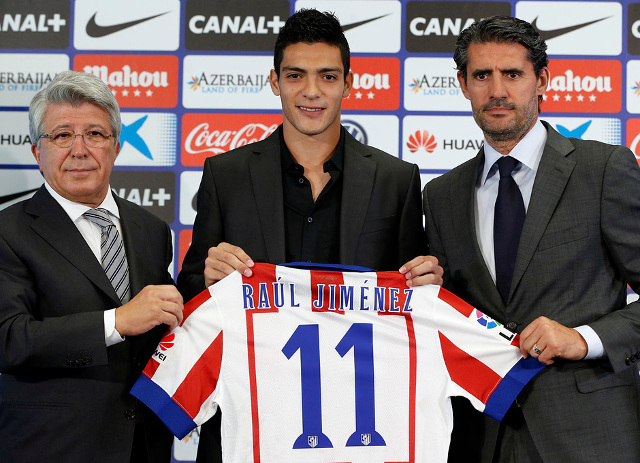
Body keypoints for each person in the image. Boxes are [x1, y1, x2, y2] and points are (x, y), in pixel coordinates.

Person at [177, 8, 443, 462]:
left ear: (348, 83)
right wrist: (206, 277)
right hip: (251, 420)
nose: (312, 91)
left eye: (328, 76)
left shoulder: (396, 179)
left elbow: (413, 311)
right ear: (275, 81)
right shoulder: (226, 174)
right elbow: (187, 296)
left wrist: (429, 284)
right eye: (296, 75)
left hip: (360, 425)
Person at [423, 15, 640, 463]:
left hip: (590, 437)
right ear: (463, 84)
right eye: (482, 76)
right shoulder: (441, 194)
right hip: (481, 437)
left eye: (512, 74)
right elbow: (450, 319)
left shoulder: (604, 170)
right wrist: (424, 293)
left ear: (541, 80)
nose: (497, 91)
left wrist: (584, 338)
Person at [0, 70, 184, 463]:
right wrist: (117, 321)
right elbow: (9, 339)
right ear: (37, 152)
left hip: (144, 447)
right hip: (50, 448)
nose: (79, 149)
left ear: (116, 147)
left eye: (95, 134)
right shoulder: (7, 231)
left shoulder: (151, 229)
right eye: (62, 135)